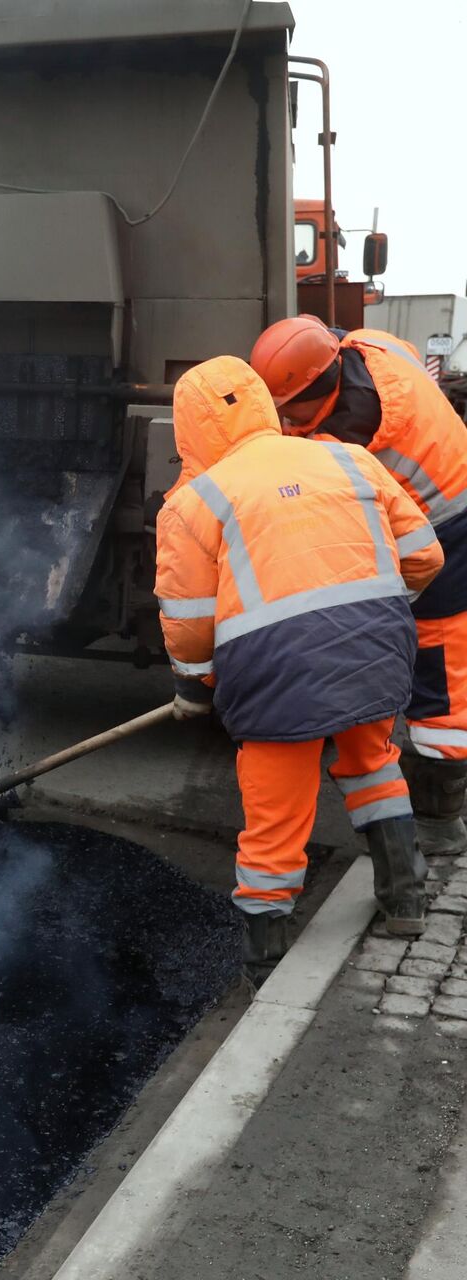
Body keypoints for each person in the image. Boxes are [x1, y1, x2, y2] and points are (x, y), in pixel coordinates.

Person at [155, 356, 444, 961]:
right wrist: (372, 613)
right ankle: (406, 902)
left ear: (190, 430)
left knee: (275, 814)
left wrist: (195, 688)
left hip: (274, 674)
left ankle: (264, 960)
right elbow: (424, 556)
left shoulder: (193, 503)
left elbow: (189, 627)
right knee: (374, 765)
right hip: (376, 653)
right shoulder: (346, 456)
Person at [251, 317, 467, 856]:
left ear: (320, 389)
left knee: (440, 673)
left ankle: (441, 819)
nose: (283, 418)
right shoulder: (371, 345)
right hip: (448, 491)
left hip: (448, 529)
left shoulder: (352, 433)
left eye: (289, 407)